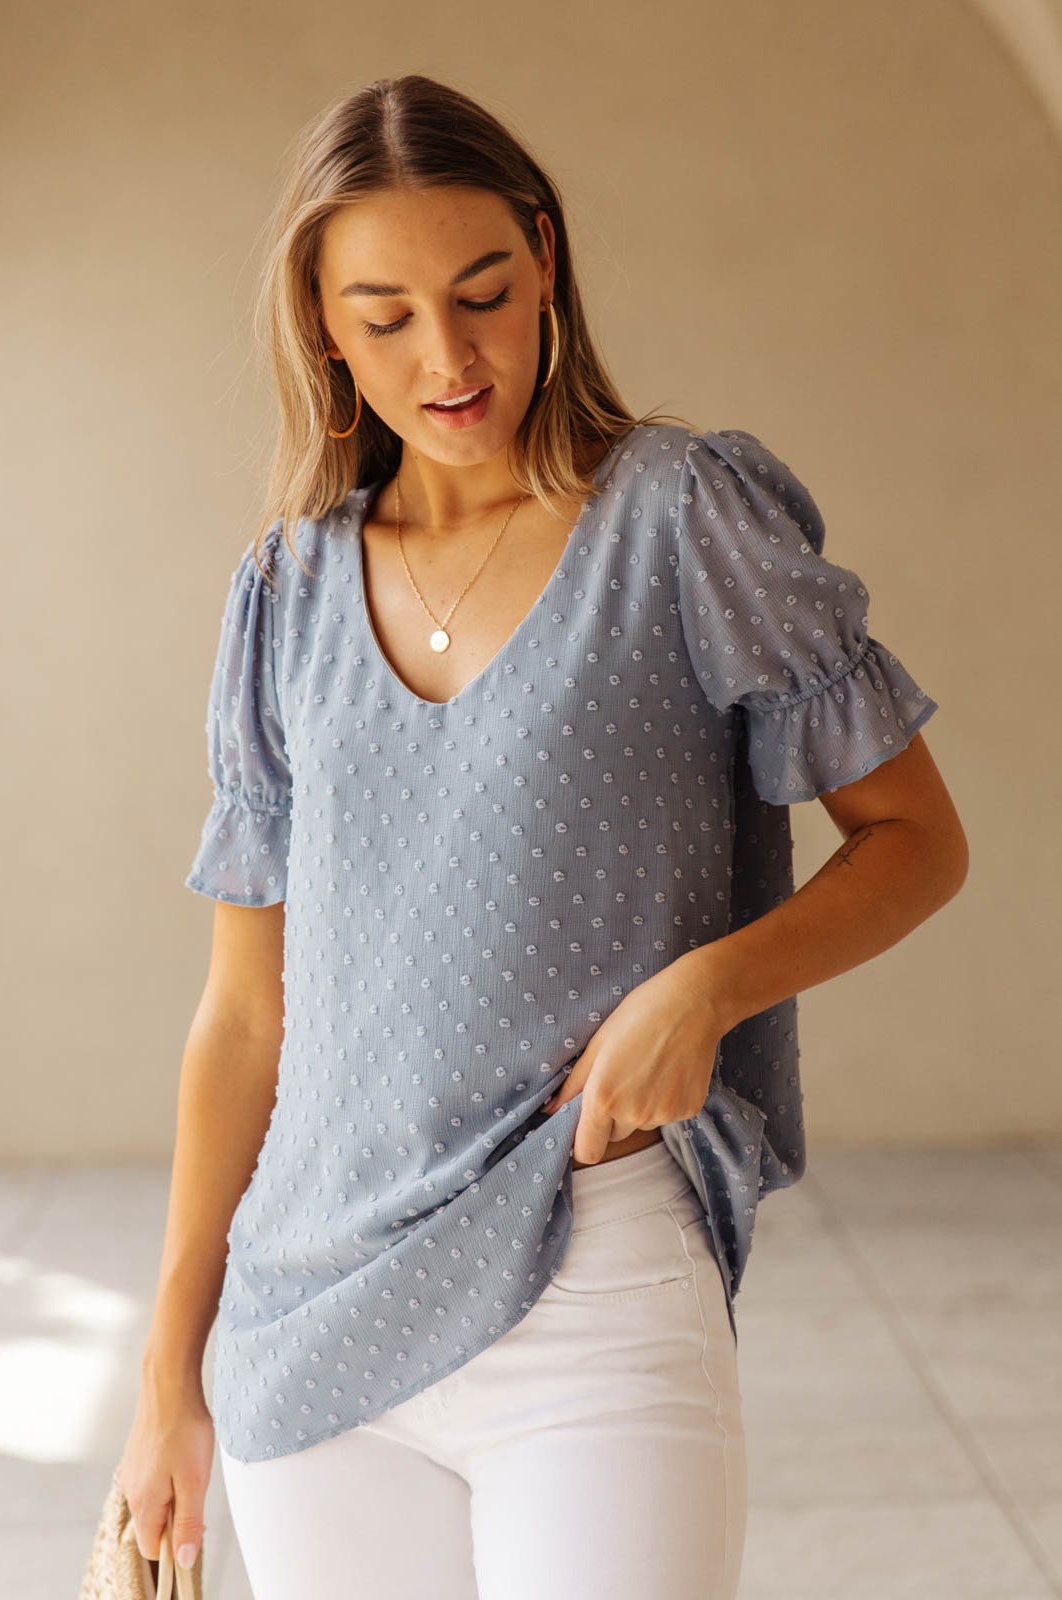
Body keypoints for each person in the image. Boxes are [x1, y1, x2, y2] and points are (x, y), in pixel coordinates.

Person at [117, 73, 969, 1600]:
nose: (449, 358)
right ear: (322, 326)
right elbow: (245, 1016)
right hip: (310, 1321)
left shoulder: (680, 517)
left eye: (483, 294)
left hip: (596, 1273)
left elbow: (917, 837)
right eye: (386, 317)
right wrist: (166, 1373)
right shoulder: (286, 593)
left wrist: (705, 988)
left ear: (545, 260)